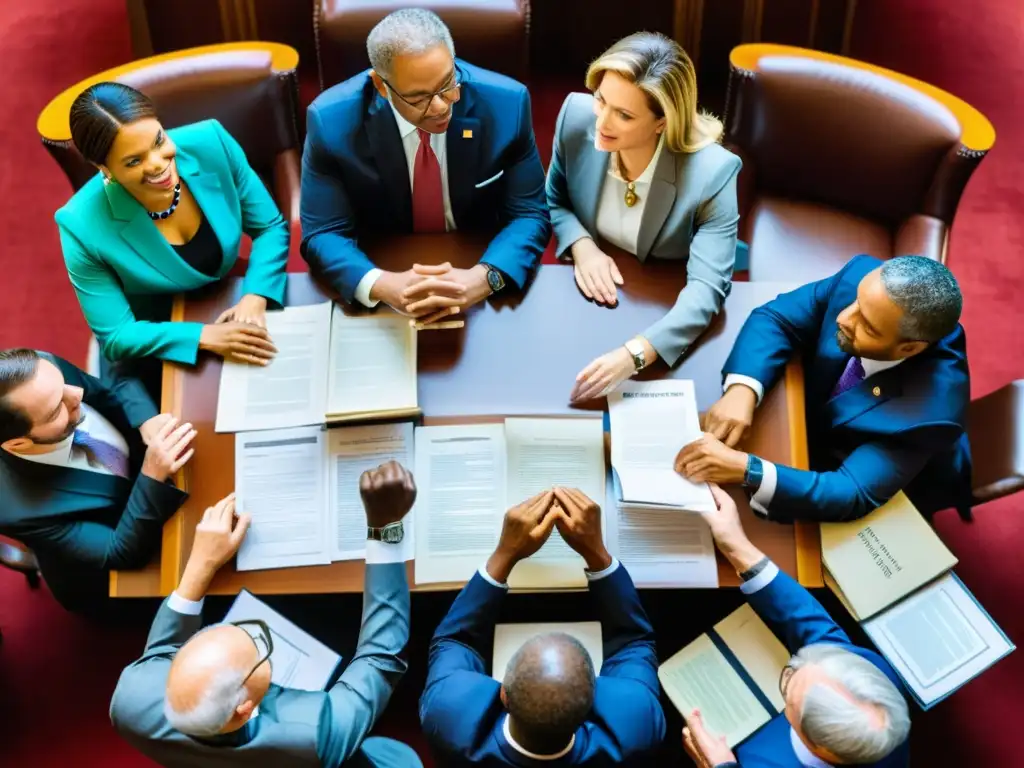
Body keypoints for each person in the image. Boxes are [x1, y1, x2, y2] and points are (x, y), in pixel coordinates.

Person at [109, 461, 421, 767]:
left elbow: (161, 651)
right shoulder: (315, 733)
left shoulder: (129, 700)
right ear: (244, 709)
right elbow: (381, 657)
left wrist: (201, 563)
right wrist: (385, 526)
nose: (259, 636)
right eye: (260, 648)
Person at [301, 8, 550, 326]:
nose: (441, 107)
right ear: (381, 85)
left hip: (479, 269)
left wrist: (486, 278)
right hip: (383, 269)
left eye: (448, 83)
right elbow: (323, 232)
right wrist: (381, 285)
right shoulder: (331, 121)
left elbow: (529, 214)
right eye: (418, 98)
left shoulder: (508, 105)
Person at [675, 254, 971, 522]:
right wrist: (742, 389)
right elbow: (777, 318)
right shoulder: (864, 279)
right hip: (807, 424)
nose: (843, 318)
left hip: (881, 480)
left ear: (909, 347)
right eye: (855, 302)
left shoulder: (932, 415)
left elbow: (851, 493)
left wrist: (748, 470)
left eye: (867, 327)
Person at [56, 82, 285, 398]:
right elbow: (117, 335)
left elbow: (270, 227)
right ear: (103, 168)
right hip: (161, 336)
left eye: (159, 141)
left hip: (232, 296)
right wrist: (203, 337)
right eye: (134, 161)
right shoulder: (78, 224)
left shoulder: (212, 141)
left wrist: (256, 295)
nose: (157, 165)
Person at [546, 32, 741, 402]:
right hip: (592, 306)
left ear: (662, 122)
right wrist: (581, 244)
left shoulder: (713, 173)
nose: (601, 122)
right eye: (601, 100)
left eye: (623, 115)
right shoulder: (575, 116)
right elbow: (554, 196)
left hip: (662, 302)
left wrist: (634, 354)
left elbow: (706, 290)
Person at [419, 487, 665, 765]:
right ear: (595, 700)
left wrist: (505, 554)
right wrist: (596, 553)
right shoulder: (636, 728)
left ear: (503, 694)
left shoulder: (450, 716)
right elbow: (633, 644)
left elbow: (455, 642)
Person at [683, 484, 910, 767]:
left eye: (788, 684)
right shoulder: (877, 680)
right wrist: (737, 546)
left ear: (818, 749)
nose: (793, 665)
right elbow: (818, 632)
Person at [0, 348, 193, 612]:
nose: (77, 393)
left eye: (63, 384)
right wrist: (152, 473)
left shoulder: (43, 373)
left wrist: (145, 420)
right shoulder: (17, 511)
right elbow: (119, 552)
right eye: (56, 410)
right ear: (19, 443)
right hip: (114, 569)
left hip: (149, 474)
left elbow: (108, 392)